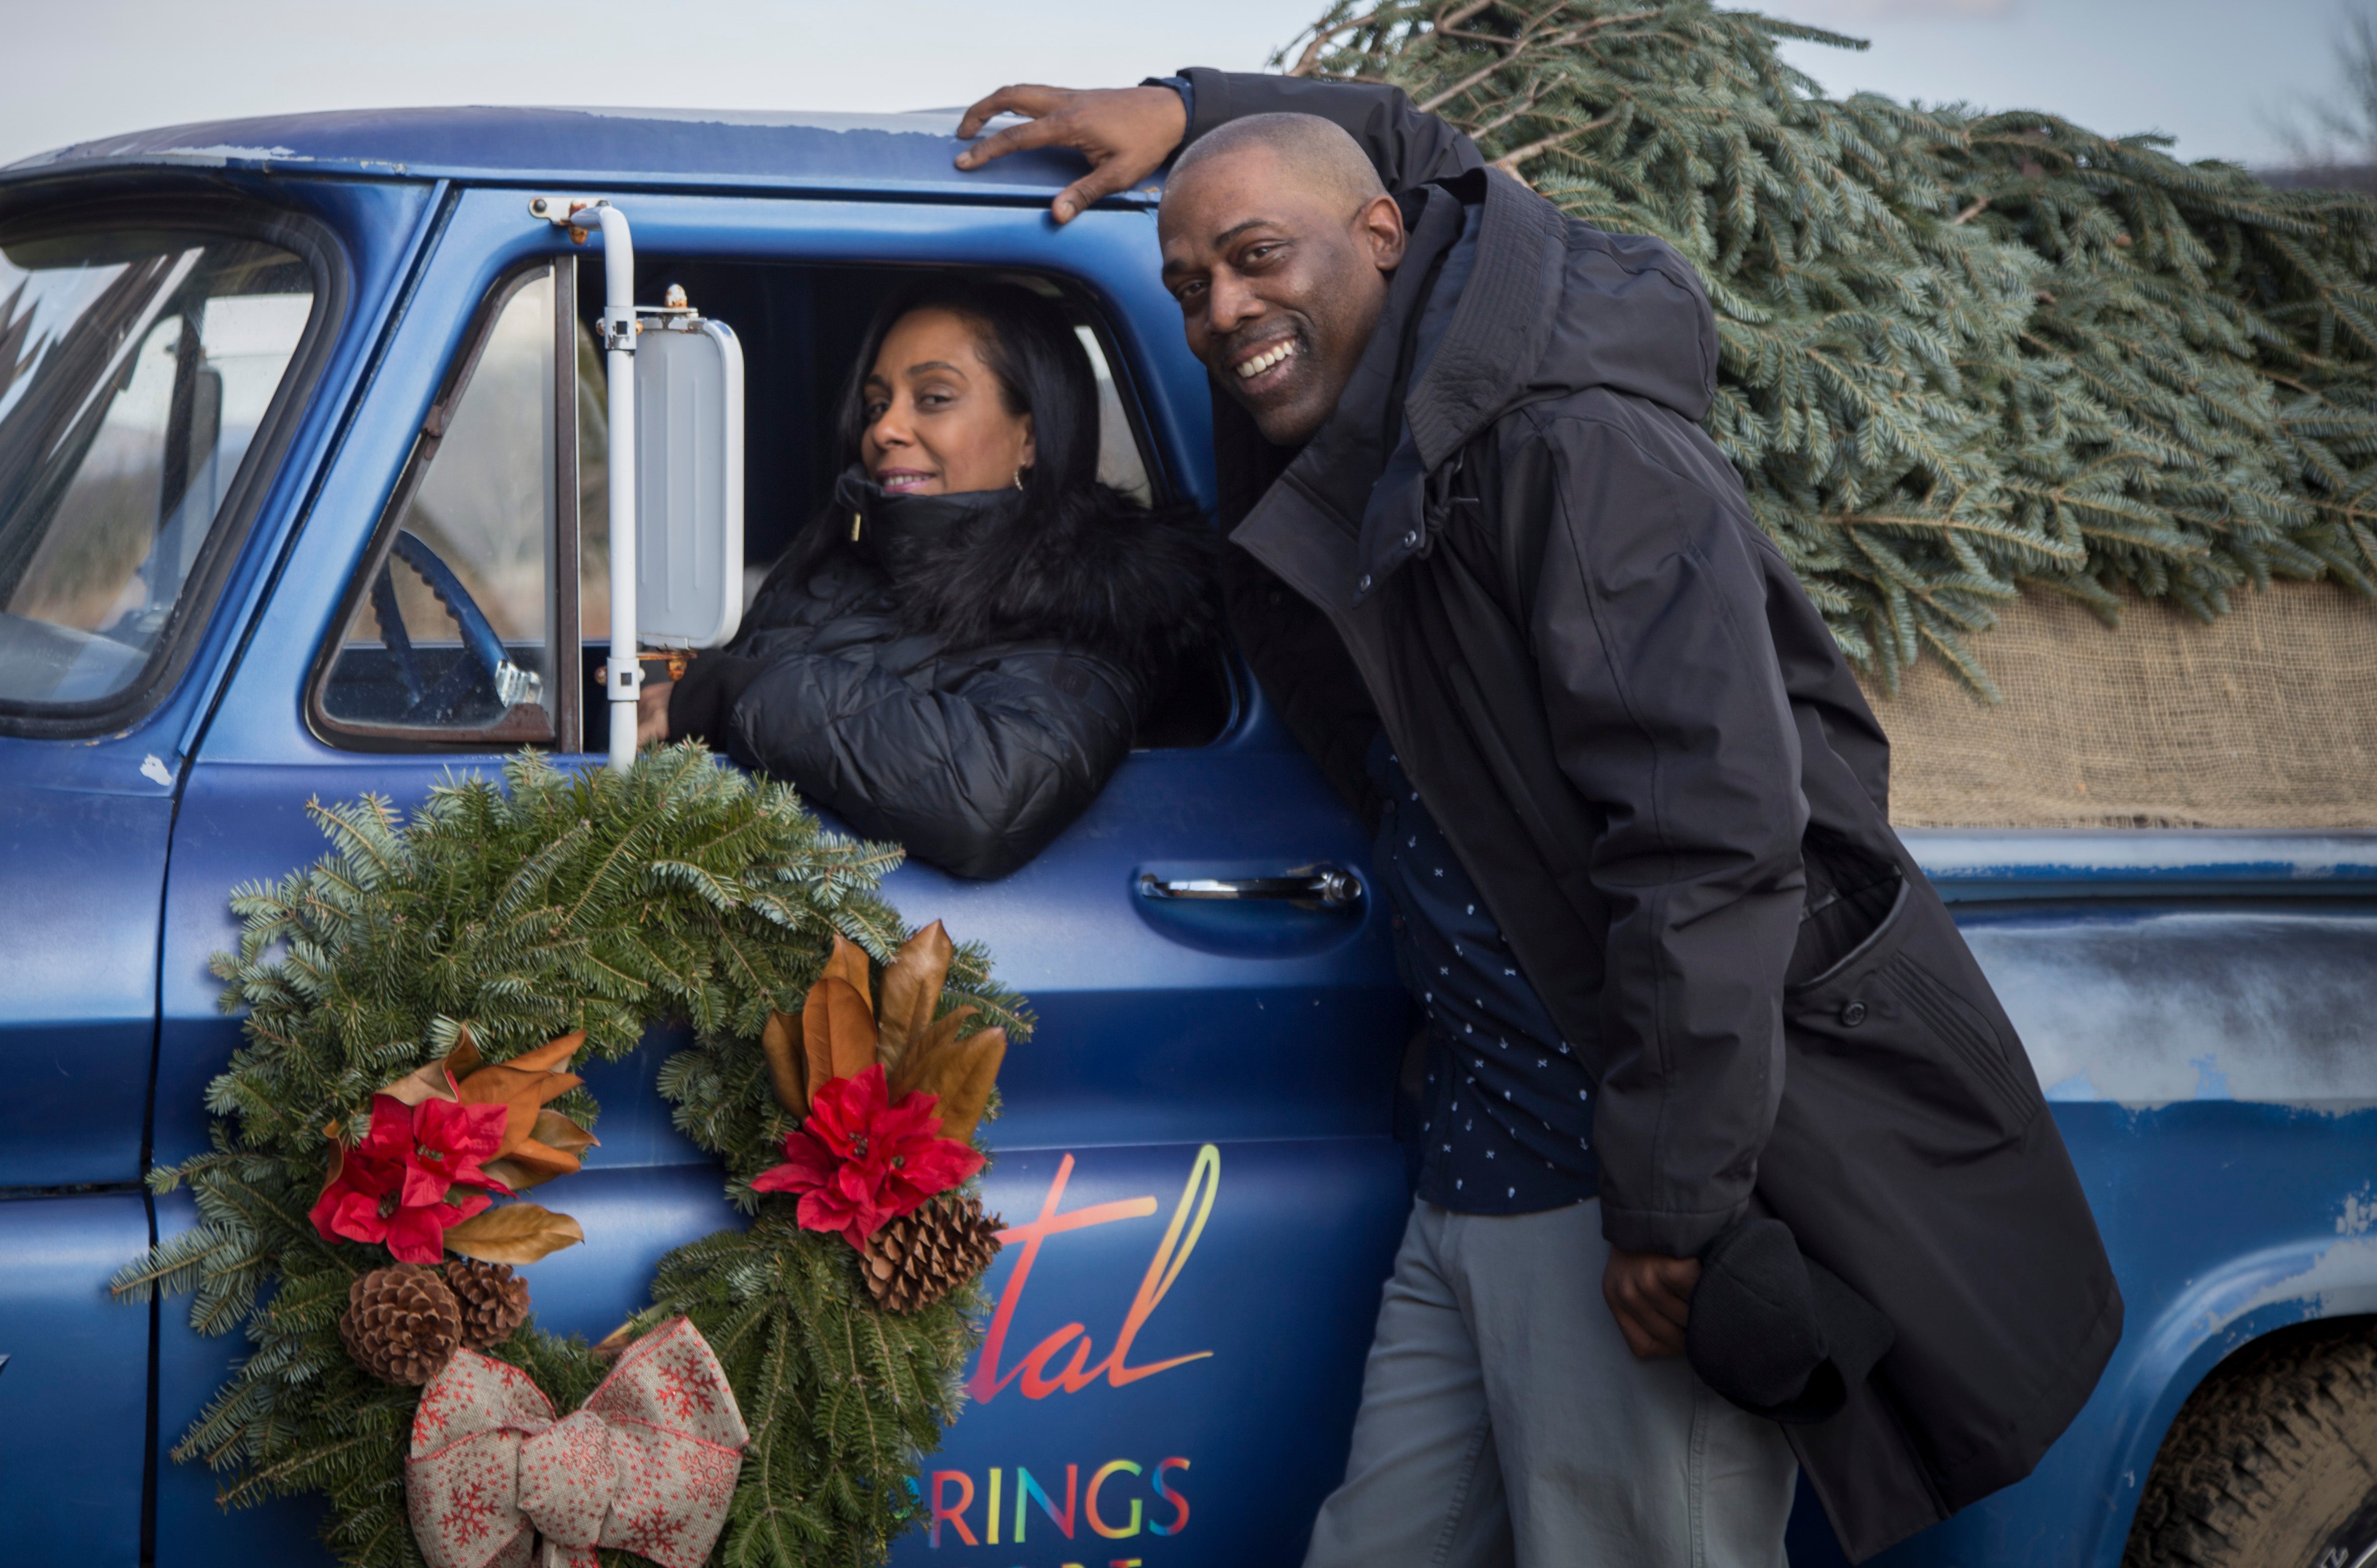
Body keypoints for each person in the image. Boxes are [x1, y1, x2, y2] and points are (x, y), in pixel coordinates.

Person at [950, 75, 2120, 1564]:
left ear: (1381, 238)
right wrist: (1184, 106)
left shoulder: (1574, 449)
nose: (1220, 311)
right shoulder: (1384, 406)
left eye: (1256, 256)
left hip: (1608, 1176)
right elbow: (1415, 146)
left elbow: (1711, 837)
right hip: (1479, 1154)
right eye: (1188, 286)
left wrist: (1674, 1212)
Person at [642, 275, 1215, 880]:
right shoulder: (833, 561)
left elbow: (989, 798)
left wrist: (734, 692)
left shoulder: (1093, 598)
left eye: (935, 398)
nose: (885, 429)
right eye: (876, 405)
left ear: (1033, 436)